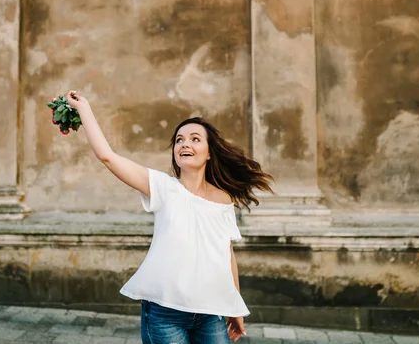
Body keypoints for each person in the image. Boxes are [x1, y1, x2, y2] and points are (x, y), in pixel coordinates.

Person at [65, 90, 274, 343]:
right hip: (166, 315)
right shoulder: (163, 187)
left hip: (211, 314)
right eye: (179, 140)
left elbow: (226, 255)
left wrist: (235, 308)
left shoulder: (223, 199)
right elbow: (107, 156)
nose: (185, 144)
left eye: (195, 139)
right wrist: (84, 109)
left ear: (209, 152)